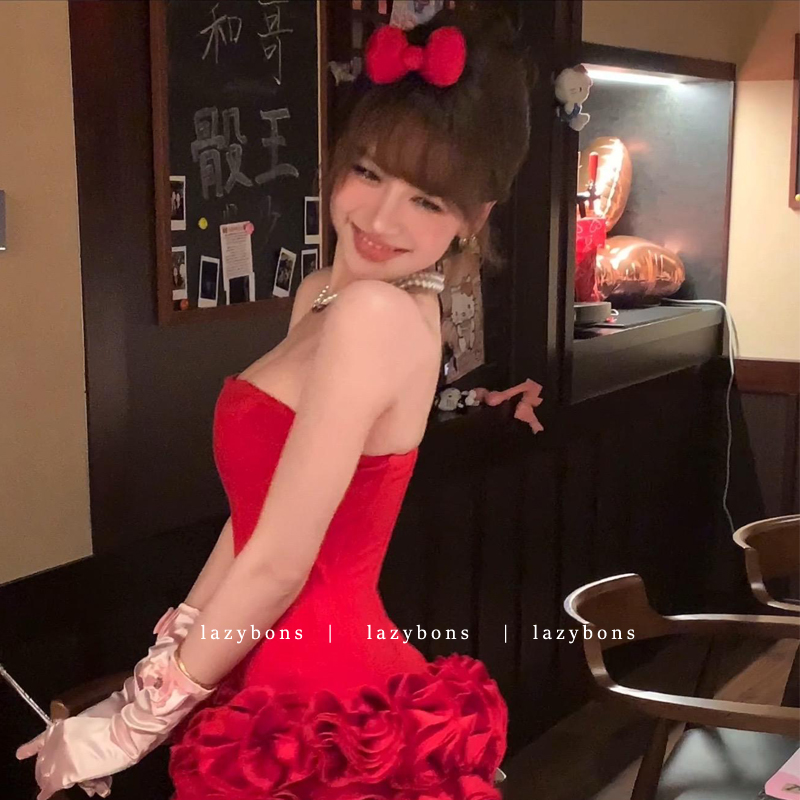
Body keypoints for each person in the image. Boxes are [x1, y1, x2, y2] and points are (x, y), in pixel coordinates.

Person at [16, 6, 532, 799]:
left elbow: (284, 563)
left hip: (319, 700)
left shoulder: (376, 314)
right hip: (255, 655)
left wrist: (130, 729)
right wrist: (161, 667)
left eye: (427, 201)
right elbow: (260, 517)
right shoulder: (325, 293)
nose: (380, 218)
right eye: (369, 173)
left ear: (475, 219)